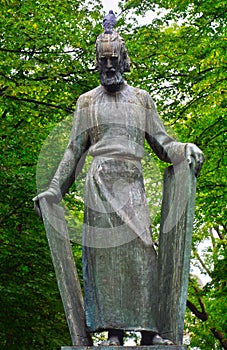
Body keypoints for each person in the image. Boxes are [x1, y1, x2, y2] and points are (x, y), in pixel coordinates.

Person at [33, 15, 204, 346]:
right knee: (107, 260)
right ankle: (113, 333)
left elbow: (164, 144)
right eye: (103, 61)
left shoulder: (141, 99)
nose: (109, 66)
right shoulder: (86, 102)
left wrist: (185, 148)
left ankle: (149, 331)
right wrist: (55, 189)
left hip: (132, 182)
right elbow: (73, 150)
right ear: (97, 62)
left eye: (114, 60)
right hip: (99, 183)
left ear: (125, 61)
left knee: (142, 252)